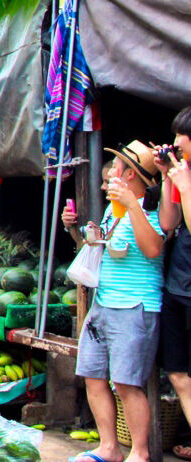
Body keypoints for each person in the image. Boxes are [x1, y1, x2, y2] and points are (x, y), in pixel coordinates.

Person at [63, 140, 165, 462]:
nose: (111, 175)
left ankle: (140, 453)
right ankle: (109, 448)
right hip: (102, 303)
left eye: (117, 168)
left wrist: (133, 205)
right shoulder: (112, 209)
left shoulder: (154, 210)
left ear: (131, 174)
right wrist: (76, 231)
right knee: (93, 375)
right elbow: (101, 250)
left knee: (125, 383)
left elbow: (152, 250)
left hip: (135, 307)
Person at [156, 108, 191, 460]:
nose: (177, 142)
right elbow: (169, 223)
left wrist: (184, 184)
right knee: (178, 372)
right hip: (178, 285)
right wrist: (168, 177)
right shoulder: (183, 174)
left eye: (183, 135)